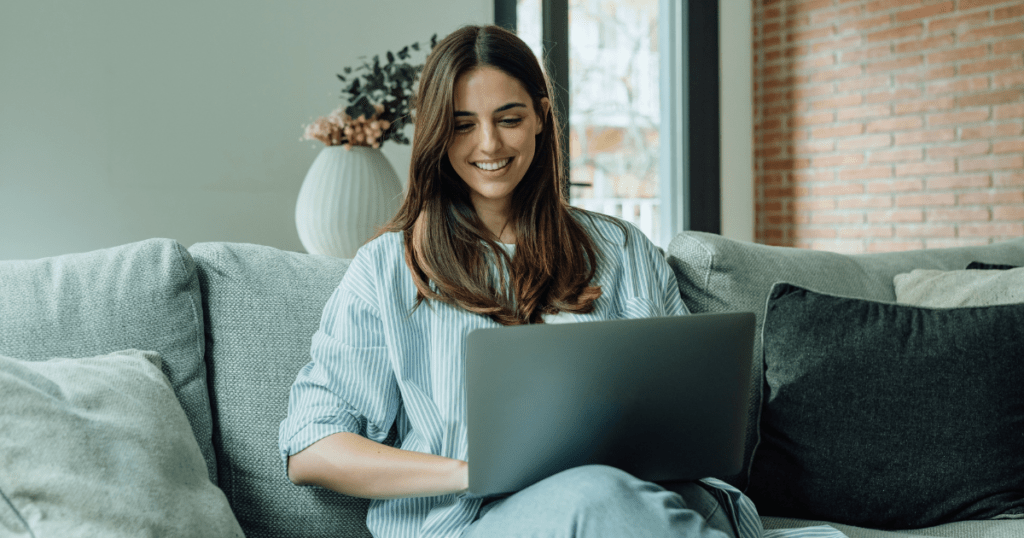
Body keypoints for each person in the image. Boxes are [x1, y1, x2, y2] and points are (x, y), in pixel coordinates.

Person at [279, 24, 845, 538]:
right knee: (593, 494)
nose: (490, 146)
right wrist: (471, 471)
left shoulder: (621, 250)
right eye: (462, 126)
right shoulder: (386, 269)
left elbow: (687, 416)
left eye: (509, 118)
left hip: (652, 501)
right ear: (434, 134)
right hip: (476, 521)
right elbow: (312, 449)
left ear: (542, 116)